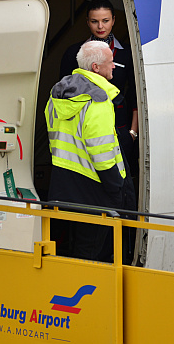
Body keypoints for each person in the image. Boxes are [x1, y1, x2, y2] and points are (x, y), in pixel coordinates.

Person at [46, 40, 133, 261]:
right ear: (96, 67)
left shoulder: (57, 94)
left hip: (63, 183)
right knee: (93, 253)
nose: (114, 66)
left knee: (70, 247)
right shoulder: (98, 99)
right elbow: (102, 152)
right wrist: (116, 186)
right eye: (110, 62)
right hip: (95, 188)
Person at [60, 0, 139, 181]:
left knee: (119, 178)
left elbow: (135, 95)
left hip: (118, 127)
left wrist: (132, 133)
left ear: (113, 20)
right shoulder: (73, 53)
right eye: (95, 21)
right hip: (83, 127)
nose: (100, 26)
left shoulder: (127, 53)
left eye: (105, 20)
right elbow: (62, 94)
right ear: (87, 22)